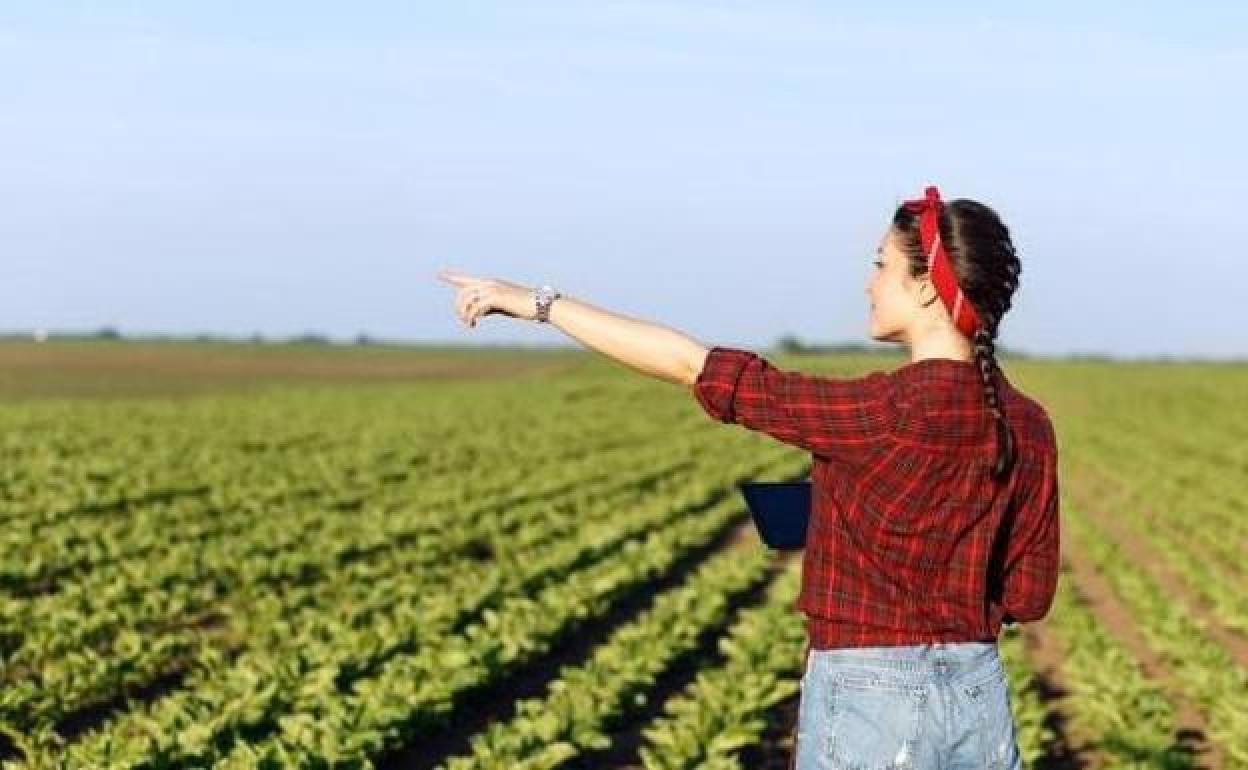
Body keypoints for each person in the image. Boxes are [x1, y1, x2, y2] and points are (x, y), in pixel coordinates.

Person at [435, 184, 1059, 770]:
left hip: (873, 695)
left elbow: (690, 366)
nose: (869, 283)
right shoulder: (1030, 426)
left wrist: (538, 305)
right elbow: (1028, 597)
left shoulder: (880, 411)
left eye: (880, 265)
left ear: (928, 289)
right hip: (978, 692)